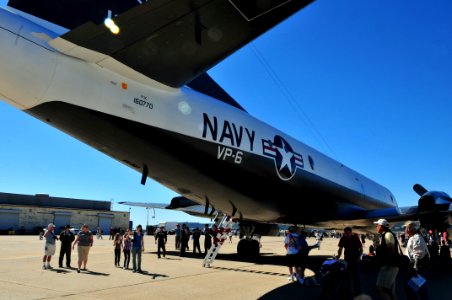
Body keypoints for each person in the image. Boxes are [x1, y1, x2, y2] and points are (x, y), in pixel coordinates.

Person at [404, 221, 430, 300]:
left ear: (409, 228)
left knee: (411, 289)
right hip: (416, 268)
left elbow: (418, 254)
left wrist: (416, 268)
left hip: (417, 269)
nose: (405, 229)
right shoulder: (413, 237)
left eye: (406, 227)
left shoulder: (416, 238)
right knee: (418, 290)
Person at [374, 219, 399, 300]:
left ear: (381, 226)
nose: (376, 227)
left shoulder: (387, 235)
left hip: (389, 265)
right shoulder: (387, 234)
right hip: (392, 264)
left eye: (377, 225)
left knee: (380, 287)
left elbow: (391, 248)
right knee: (391, 290)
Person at [336, 227, 363, 298]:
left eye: (348, 233)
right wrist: (338, 256)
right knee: (347, 278)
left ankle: (358, 294)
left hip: (355, 260)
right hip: (347, 260)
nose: (347, 235)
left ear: (351, 232)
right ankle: (348, 294)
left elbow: (361, 249)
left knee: (356, 278)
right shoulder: (343, 238)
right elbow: (340, 249)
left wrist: (359, 257)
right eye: (345, 233)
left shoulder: (355, 238)